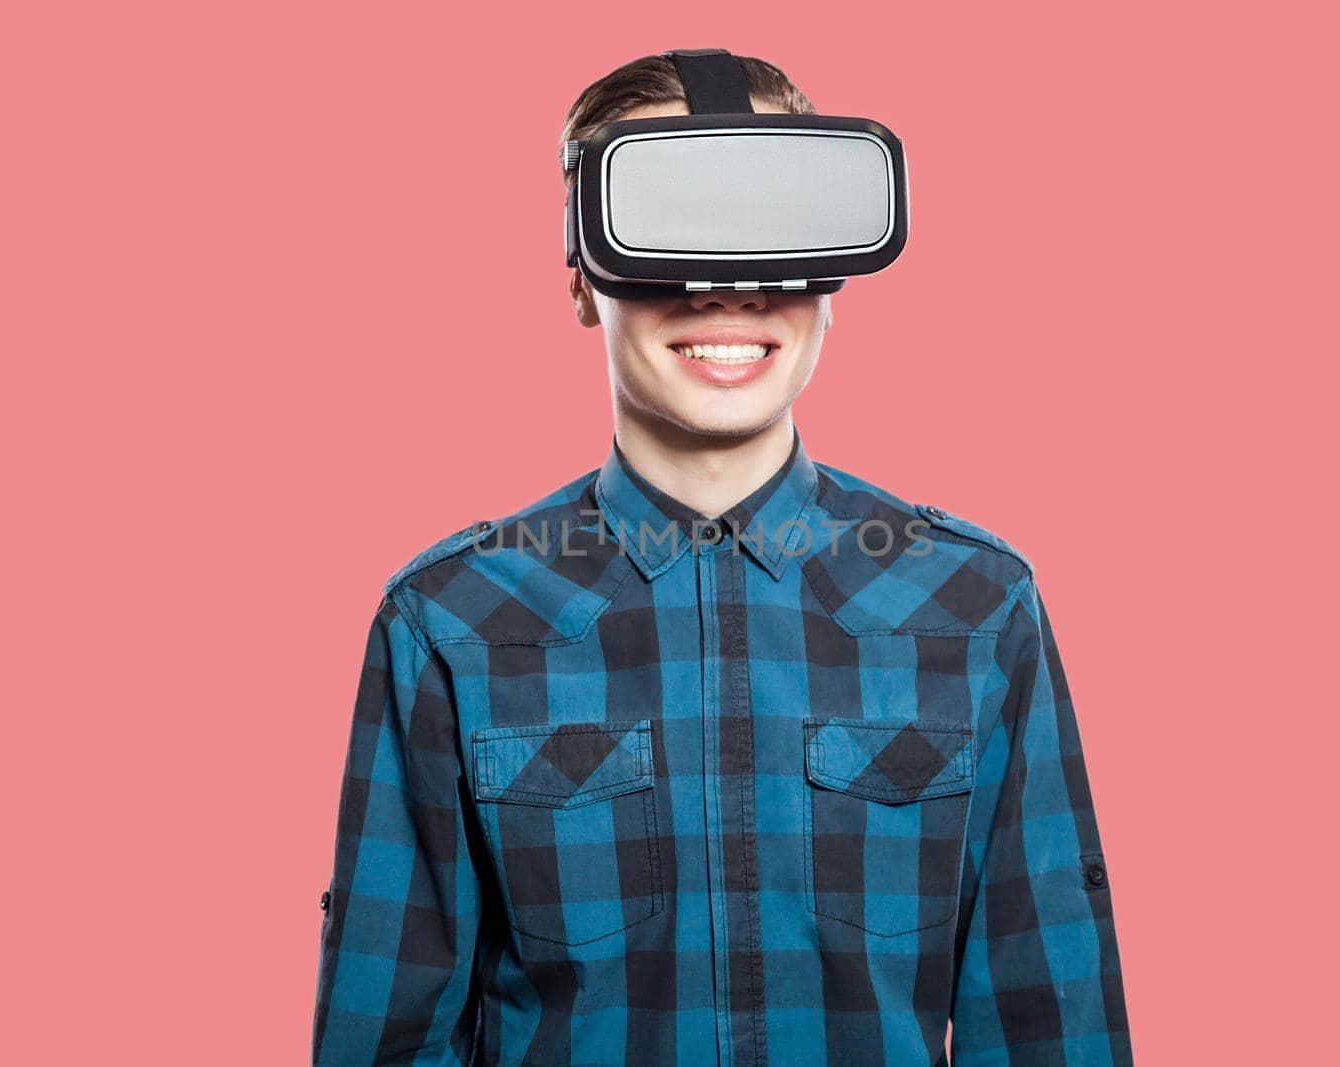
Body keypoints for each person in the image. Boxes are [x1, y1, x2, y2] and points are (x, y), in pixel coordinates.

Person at [312, 51, 1131, 1067]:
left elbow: (1047, 1023)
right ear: (580, 275)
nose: (728, 287)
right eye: (672, 229)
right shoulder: (448, 621)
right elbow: (386, 1037)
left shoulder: (974, 605)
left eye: (768, 232)